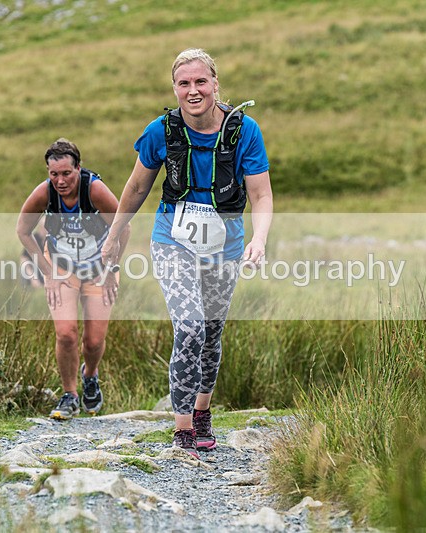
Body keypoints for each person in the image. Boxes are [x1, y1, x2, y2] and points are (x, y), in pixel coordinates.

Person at [101, 49, 273, 458]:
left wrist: (259, 238)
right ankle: (181, 431)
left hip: (225, 245)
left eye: (200, 82)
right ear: (175, 88)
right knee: (191, 326)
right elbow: (137, 188)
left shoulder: (244, 131)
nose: (193, 91)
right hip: (172, 240)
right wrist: (113, 236)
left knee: (211, 333)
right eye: (184, 83)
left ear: (215, 83)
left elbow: (261, 194)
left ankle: (201, 414)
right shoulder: (161, 131)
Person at [17, 138, 130, 420]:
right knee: (66, 333)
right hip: (62, 267)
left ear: (78, 168)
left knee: (93, 341)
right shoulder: (44, 193)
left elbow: (123, 229)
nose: (60, 180)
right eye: (53, 174)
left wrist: (111, 270)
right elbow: (23, 230)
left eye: (66, 173)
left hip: (98, 268)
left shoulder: (95, 191)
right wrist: (47, 272)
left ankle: (90, 375)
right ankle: (69, 395)